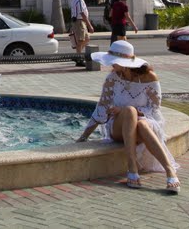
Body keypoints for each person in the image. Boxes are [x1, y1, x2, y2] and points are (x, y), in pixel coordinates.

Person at [75, 40, 181, 194]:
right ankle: (132, 165)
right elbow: (102, 107)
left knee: (141, 123)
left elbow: (154, 107)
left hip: (143, 124)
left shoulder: (149, 77)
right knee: (130, 111)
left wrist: (125, 109)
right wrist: (84, 136)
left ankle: (170, 171)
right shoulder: (112, 78)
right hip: (118, 127)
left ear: (124, 63)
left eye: (114, 62)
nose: (111, 65)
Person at [68, 0, 94, 64]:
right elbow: (82, 13)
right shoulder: (79, 0)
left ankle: (78, 56)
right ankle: (79, 59)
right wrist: (89, 25)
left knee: (86, 39)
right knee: (81, 40)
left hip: (80, 21)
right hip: (79, 22)